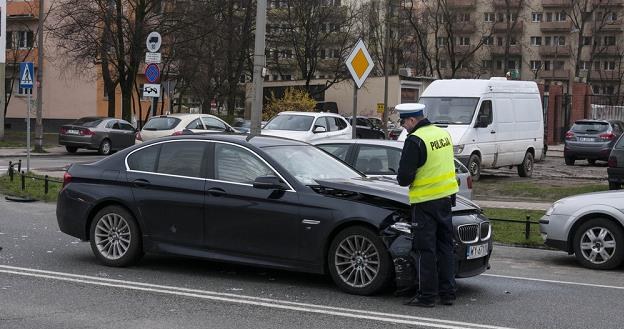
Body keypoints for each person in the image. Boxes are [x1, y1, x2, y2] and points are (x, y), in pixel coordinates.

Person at [395, 103, 459, 308]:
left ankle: (427, 296)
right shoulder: (442, 134)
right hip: (446, 198)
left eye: (404, 122)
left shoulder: (415, 139)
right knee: (445, 247)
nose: (404, 127)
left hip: (425, 202)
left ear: (412, 120)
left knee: (425, 250)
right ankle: (448, 293)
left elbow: (404, 178)